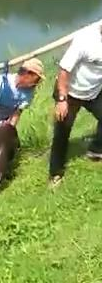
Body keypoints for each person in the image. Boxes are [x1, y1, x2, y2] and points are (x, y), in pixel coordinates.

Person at [49, 23, 102, 188]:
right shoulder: (85, 39)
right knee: (62, 132)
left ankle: (96, 149)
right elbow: (64, 70)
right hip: (70, 94)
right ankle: (55, 173)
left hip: (94, 91)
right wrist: (62, 100)